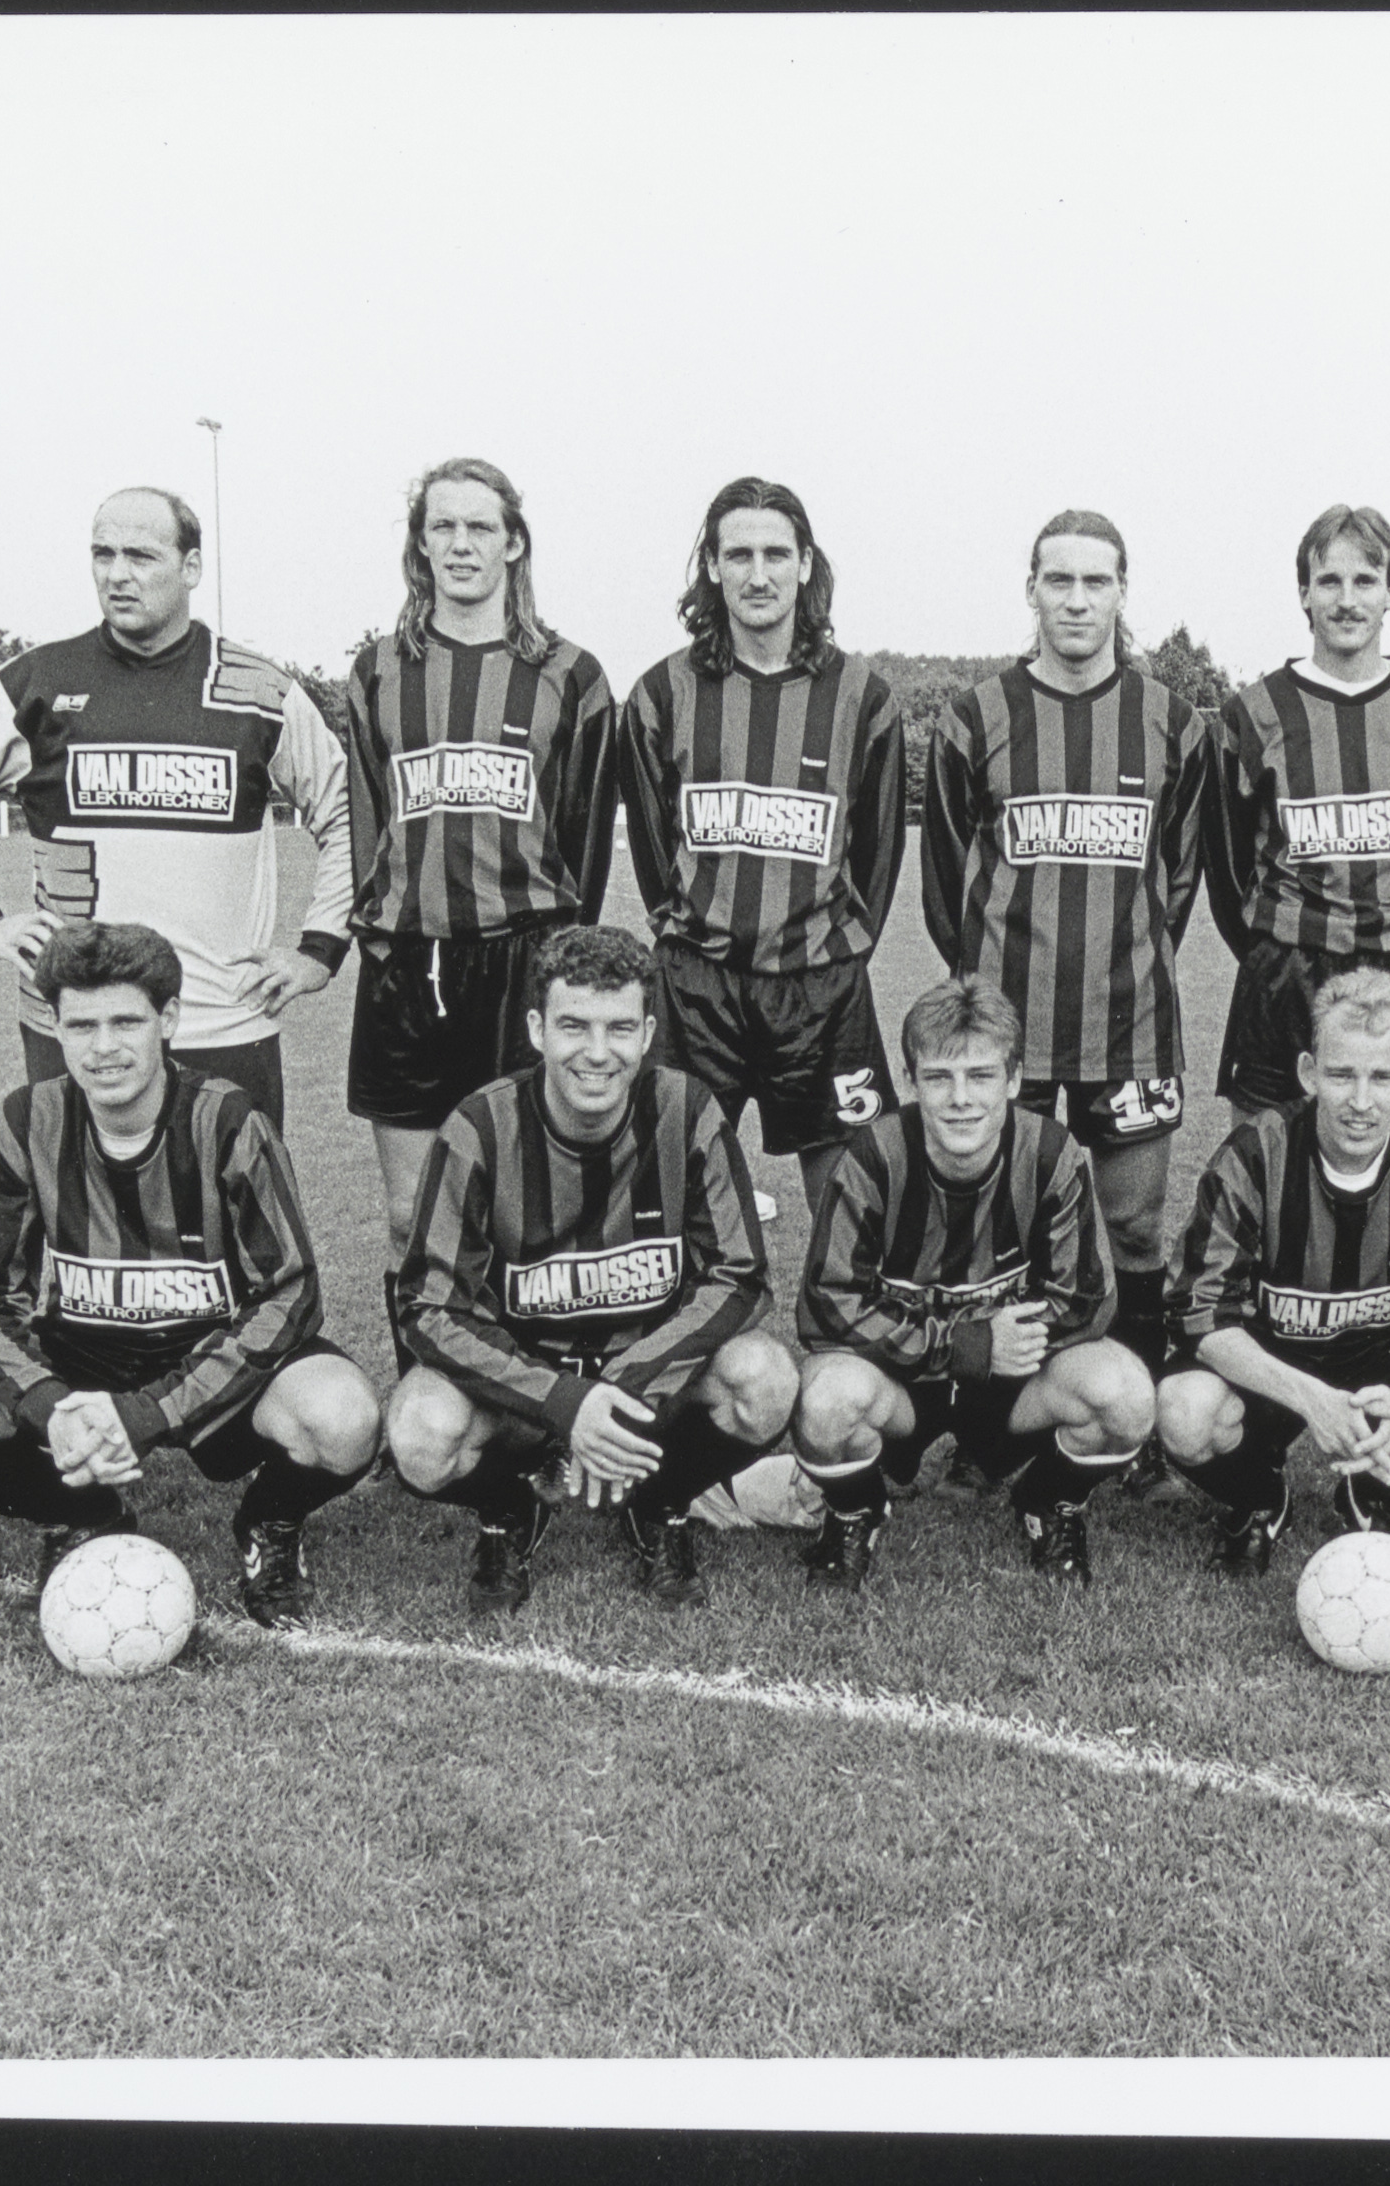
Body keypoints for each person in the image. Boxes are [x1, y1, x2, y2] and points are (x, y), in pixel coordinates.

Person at [0, 923, 380, 1630]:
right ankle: (78, 1510)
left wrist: (147, 1416)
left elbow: (290, 1293)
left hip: (208, 1352)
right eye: (82, 1025)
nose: (104, 1047)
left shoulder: (227, 1120)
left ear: (169, 1018)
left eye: (126, 1022)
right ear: (56, 1027)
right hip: (75, 1354)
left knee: (343, 1420)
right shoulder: (25, 1120)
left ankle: (269, 1519)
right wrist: (51, 1407)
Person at [0, 485, 353, 1129]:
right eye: (102, 554)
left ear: (191, 567)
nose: (117, 574)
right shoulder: (40, 682)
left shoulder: (259, 691)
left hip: (223, 1022)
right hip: (77, 1029)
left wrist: (319, 950)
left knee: (232, 1195)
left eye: (141, 556)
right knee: (76, 1197)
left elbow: (348, 812)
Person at [382, 926, 802, 1609]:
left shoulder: (687, 1111)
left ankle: (659, 1502)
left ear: (647, 1034)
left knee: (766, 1381)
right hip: (521, 1392)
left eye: (619, 1028)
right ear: (536, 1029)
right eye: (574, 1026)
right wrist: (562, 1401)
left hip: (649, 1382)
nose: (598, 1052)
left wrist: (626, 1385)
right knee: (420, 1433)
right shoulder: (479, 1129)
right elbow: (429, 1308)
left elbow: (741, 1275)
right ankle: (510, 1509)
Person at [335, 457, 623, 1368]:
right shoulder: (377, 671)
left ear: (514, 543)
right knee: (408, 1214)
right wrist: (381, 934)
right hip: (407, 965)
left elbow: (582, 836)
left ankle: (538, 1401)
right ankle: (428, 1394)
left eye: (480, 527)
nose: (461, 544)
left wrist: (560, 965)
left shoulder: (571, 674)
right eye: (443, 527)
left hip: (523, 963)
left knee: (530, 1210)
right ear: (420, 545)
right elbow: (368, 821)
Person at [921, 507, 1213, 1378]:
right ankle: (994, 1420)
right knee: (998, 1227)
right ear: (1032, 590)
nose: (1077, 600)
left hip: (1129, 1022)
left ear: (1122, 592)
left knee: (1134, 1225)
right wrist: (986, 985)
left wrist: (1133, 955)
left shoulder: (1173, 723)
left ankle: (1140, 1404)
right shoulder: (973, 718)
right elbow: (945, 886)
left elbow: (1180, 877)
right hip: (1005, 1027)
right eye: (1059, 580)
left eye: (1095, 581)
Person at [1156, 969, 1390, 1573]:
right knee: (1184, 1411)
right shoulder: (1255, 1155)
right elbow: (1200, 1312)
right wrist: (1312, 1399)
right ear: (1309, 1072)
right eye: (1342, 1075)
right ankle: (1259, 1497)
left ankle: (1378, 1490)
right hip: (1274, 1368)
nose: (1361, 1102)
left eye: (1382, 1077)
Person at [792, 977, 1153, 1589]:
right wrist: (966, 1344)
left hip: (1014, 1384)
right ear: (910, 1081)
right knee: (826, 1399)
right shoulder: (875, 1157)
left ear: (1013, 1079)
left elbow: (1086, 1300)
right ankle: (856, 1512)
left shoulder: (1049, 1153)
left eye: (980, 1076)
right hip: (907, 1384)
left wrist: (993, 1351)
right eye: (939, 1077)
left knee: (1126, 1394)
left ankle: (1048, 1500)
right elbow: (829, 1303)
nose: (961, 1099)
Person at [619, 477, 904, 1219]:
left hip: (820, 990)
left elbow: (877, 854)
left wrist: (837, 950)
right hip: (696, 987)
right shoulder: (661, 693)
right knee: (669, 1197)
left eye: (776, 554)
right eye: (738, 555)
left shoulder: (863, 699)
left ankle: (841, 1307)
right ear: (712, 567)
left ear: (805, 564)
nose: (758, 574)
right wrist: (689, 936)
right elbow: (652, 846)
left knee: (854, 1205)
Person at [1201, 504, 1390, 1128]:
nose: (1347, 600)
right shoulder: (1252, 715)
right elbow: (1226, 867)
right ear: (1304, 592)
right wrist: (1275, 942)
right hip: (1287, 971)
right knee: (1267, 1158)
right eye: (1329, 581)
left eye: (1365, 581)